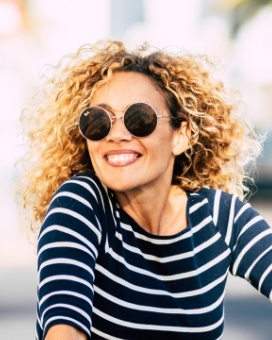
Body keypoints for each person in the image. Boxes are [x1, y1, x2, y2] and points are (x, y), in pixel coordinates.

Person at [19, 40, 272, 340]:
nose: (116, 136)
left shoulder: (220, 217)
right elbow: (64, 332)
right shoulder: (81, 204)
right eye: (99, 121)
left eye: (139, 118)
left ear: (181, 135)